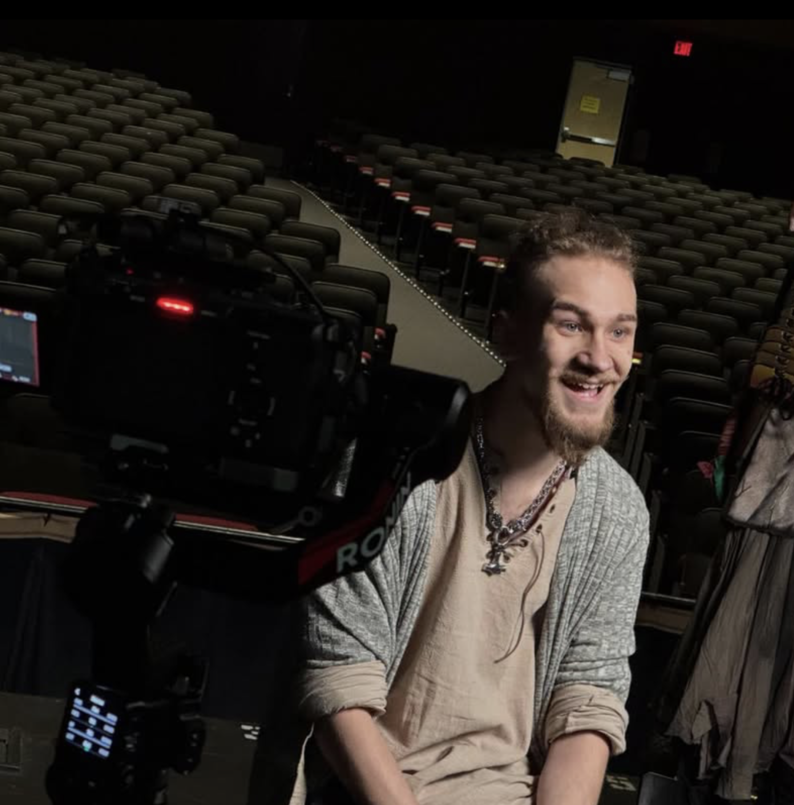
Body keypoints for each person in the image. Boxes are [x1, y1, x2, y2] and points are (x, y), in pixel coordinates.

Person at [269, 211, 649, 805]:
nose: (601, 359)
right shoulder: (392, 464)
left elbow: (588, 698)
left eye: (620, 331)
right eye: (571, 325)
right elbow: (337, 680)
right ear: (507, 333)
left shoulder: (618, 508)